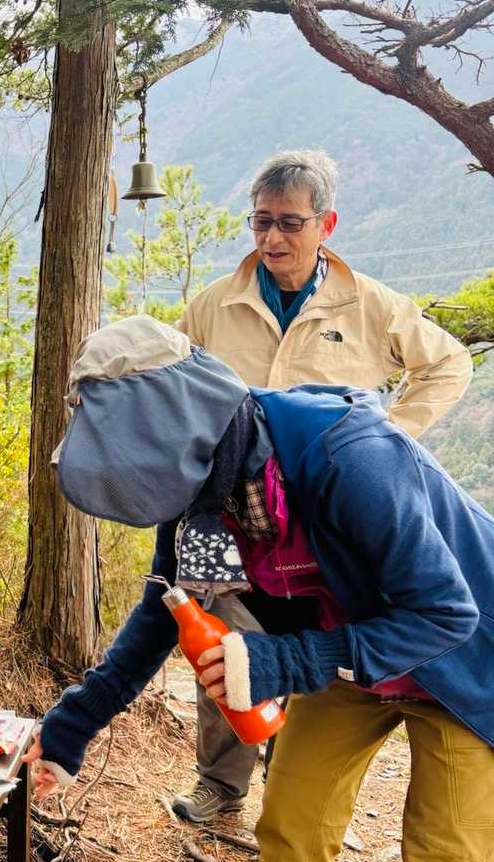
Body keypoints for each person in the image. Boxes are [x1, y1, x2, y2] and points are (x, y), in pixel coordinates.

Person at [26, 316, 493, 862]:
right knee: (293, 820)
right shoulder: (202, 486)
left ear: (178, 426)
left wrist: (286, 659)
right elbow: (158, 615)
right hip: (352, 658)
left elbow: (445, 610)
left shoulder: (347, 455)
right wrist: (66, 733)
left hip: (465, 666)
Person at [172, 149, 471, 825]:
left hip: (332, 516)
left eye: (290, 223)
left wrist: (390, 437)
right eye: (261, 222)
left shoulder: (369, 304)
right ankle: (221, 782)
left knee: (311, 645)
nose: (273, 238)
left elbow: (449, 364)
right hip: (239, 512)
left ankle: (290, 780)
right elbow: (177, 387)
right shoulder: (216, 305)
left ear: (325, 224)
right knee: (223, 637)